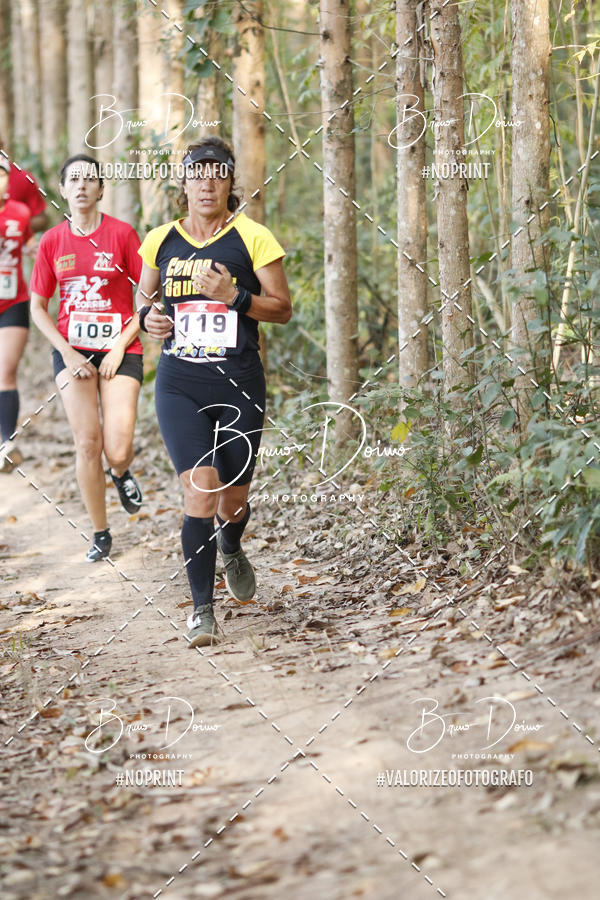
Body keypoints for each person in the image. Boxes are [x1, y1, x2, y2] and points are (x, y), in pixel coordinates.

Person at [137, 137, 291, 647]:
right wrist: (148, 319)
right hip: (180, 382)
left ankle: (232, 545)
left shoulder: (253, 237)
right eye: (196, 174)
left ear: (229, 183)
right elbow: (144, 301)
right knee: (200, 488)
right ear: (183, 184)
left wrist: (235, 296)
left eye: (217, 174)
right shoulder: (161, 239)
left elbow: (282, 307)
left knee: (235, 500)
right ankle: (203, 610)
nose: (206, 183)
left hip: (240, 381)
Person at [30, 154, 144, 562]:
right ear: (62, 189)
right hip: (71, 352)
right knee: (87, 443)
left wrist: (117, 346)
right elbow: (38, 308)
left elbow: (147, 298)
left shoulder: (123, 235)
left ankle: (121, 471)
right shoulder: (52, 242)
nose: (80, 186)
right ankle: (100, 532)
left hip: (121, 348)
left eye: (89, 179)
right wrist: (66, 351)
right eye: (72, 180)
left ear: (100, 189)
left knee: (116, 448)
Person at [0, 156, 34, 472]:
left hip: (13, 301)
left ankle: (6, 442)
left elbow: (28, 244)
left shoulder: (20, 213)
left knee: (5, 371)